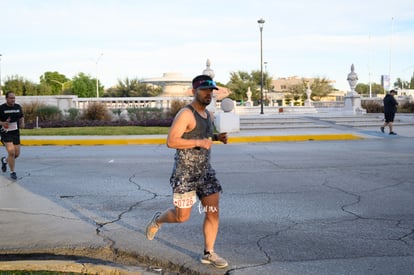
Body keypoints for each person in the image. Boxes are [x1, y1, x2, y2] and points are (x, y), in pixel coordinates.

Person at [145, 75, 229, 269]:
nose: (209, 94)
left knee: (213, 212)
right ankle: (158, 220)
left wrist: (216, 137)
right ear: (194, 92)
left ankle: (209, 253)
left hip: (206, 173)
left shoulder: (209, 115)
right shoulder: (186, 114)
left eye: (211, 90)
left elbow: (204, 135)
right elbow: (171, 141)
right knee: (182, 217)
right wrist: (199, 142)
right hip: (185, 175)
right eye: (204, 90)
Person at [0, 91, 25, 180]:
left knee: (16, 154)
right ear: (6, 98)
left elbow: (21, 116)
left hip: (15, 132)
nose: (13, 99)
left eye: (14, 98)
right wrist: (2, 123)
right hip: (6, 133)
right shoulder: (1, 108)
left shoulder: (18, 107)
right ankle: (12, 172)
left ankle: (4, 161)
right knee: (11, 152)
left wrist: (22, 123)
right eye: (11, 98)